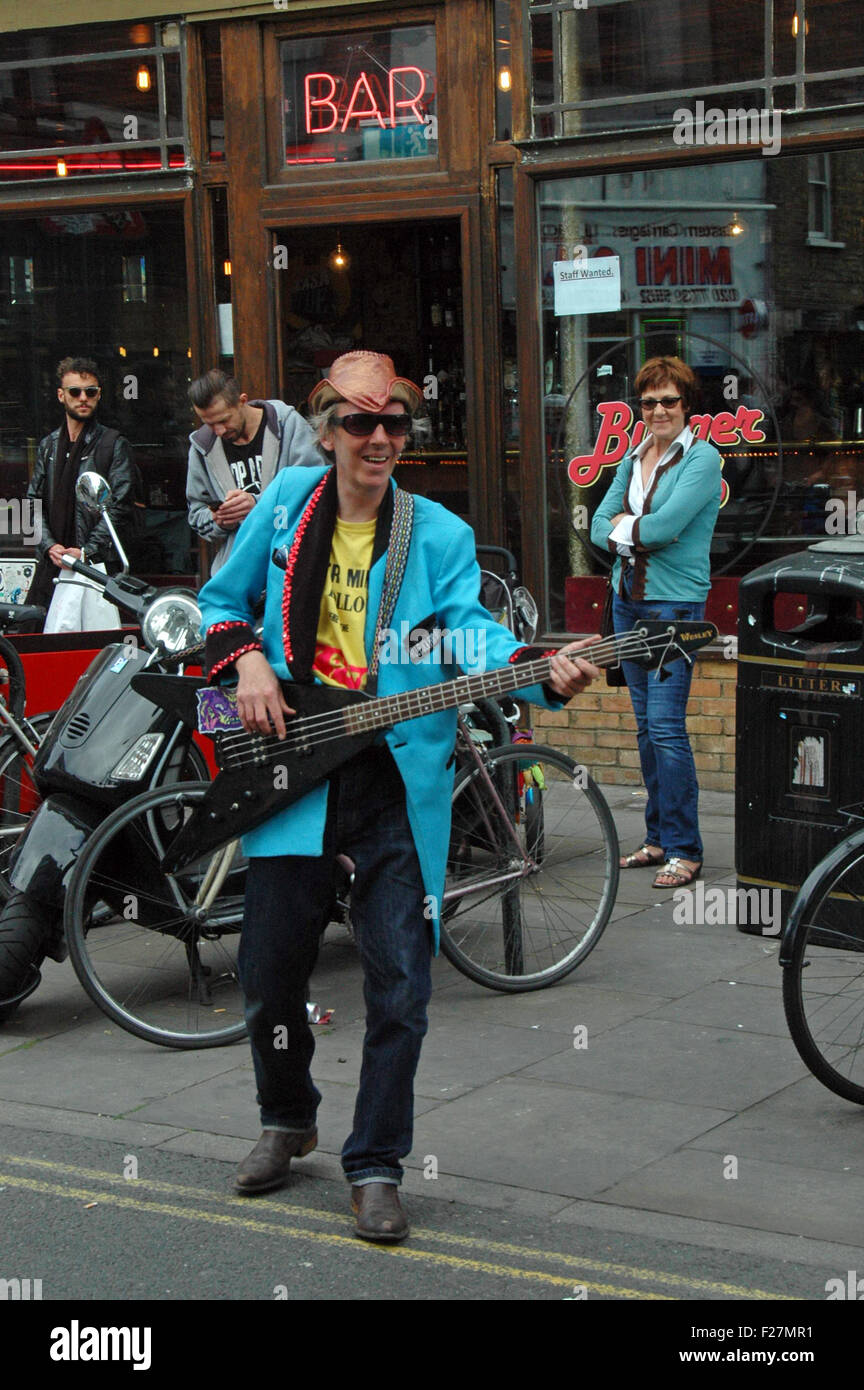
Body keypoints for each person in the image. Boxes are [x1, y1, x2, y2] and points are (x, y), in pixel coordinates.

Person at [198, 350, 599, 1242]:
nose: (379, 440)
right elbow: (218, 606)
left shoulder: (438, 535)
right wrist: (250, 663)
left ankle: (376, 1162)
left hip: (391, 779)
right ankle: (285, 1116)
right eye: (360, 423)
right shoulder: (283, 508)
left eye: (395, 425)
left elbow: (474, 636)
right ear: (326, 430)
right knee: (267, 977)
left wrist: (543, 677)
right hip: (295, 770)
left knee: (401, 986)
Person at [590, 356, 722, 890]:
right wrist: (632, 530)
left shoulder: (703, 459)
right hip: (628, 603)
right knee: (646, 729)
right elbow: (598, 525)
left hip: (673, 607)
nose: (659, 410)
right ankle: (657, 839)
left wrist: (629, 529)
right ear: (639, 408)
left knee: (667, 729)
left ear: (687, 406)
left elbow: (667, 527)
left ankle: (686, 850)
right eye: (649, 402)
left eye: (669, 400)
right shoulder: (634, 455)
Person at [26, 356, 137, 613]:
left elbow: (120, 507)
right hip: (51, 566)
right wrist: (48, 546)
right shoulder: (48, 446)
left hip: (95, 568)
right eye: (75, 392)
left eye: (91, 392)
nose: (83, 398)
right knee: (42, 639)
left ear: (99, 395)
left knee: (93, 639)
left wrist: (87, 552)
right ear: (61, 395)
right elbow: (30, 504)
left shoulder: (113, 443)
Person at [186, 369, 323, 573]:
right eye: (209, 424)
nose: (219, 431)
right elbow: (196, 515)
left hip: (292, 566)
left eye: (224, 420)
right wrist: (220, 520)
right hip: (238, 573)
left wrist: (258, 504)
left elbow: (317, 492)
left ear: (242, 401)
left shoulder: (287, 424)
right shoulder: (202, 446)